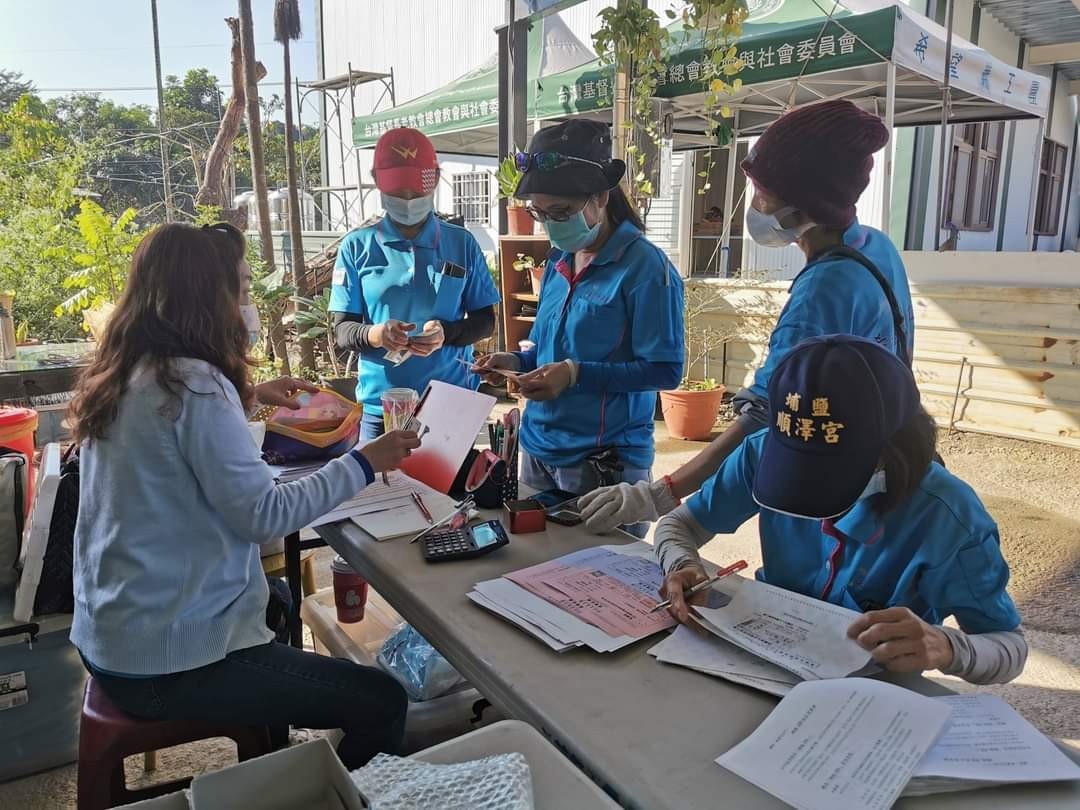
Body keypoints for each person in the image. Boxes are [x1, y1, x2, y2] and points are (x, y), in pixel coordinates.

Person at [69, 222, 421, 768]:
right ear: (209, 297)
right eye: (243, 286)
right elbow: (265, 515)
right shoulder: (196, 385)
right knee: (380, 699)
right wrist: (364, 462)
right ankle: (330, 791)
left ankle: (271, 756)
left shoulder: (126, 372)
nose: (248, 303)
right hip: (163, 664)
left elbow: (175, 437)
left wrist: (249, 396)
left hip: (112, 635)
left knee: (276, 600)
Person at [579, 99, 916, 533]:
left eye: (762, 195)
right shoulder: (875, 247)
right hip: (881, 458)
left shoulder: (822, 292)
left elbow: (765, 415)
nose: (753, 205)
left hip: (826, 476)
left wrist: (661, 494)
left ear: (802, 208)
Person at [655, 334, 1026, 685]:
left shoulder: (949, 516)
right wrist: (681, 565)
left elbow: (1010, 647)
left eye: (832, 473)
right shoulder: (761, 453)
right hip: (760, 663)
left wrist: (947, 647)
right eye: (798, 469)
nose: (811, 490)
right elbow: (680, 525)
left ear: (893, 446)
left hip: (869, 693)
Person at [474, 120, 685, 537]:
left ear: (601, 197)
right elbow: (549, 349)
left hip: (602, 463)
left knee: (603, 574)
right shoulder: (559, 260)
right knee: (537, 565)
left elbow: (665, 370)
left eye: (561, 213)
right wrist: (515, 362)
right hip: (538, 450)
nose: (550, 225)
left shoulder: (645, 269)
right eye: (539, 213)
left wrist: (574, 375)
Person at [331, 127, 501, 439]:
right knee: (379, 473)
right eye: (398, 194)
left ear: (435, 179)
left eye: (416, 194)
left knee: (450, 474)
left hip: (450, 401)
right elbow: (343, 330)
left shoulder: (461, 244)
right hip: (382, 406)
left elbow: (485, 321)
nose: (408, 202)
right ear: (376, 180)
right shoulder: (356, 247)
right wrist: (376, 334)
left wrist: (447, 333)